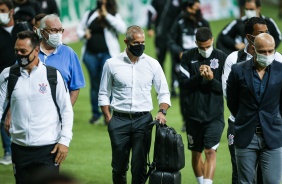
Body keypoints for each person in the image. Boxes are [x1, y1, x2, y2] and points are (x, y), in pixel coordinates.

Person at [98, 25, 171, 184]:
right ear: (126, 41)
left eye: (143, 42)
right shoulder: (111, 64)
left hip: (143, 121)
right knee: (119, 167)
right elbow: (104, 93)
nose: (141, 46)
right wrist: (108, 118)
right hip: (118, 121)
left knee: (139, 168)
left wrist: (161, 112)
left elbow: (164, 92)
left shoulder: (153, 64)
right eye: (136, 43)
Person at [0, 31, 73, 184]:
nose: (19, 55)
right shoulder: (8, 75)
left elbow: (66, 110)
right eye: (16, 51)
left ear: (36, 50)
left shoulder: (52, 76)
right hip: (19, 149)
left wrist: (64, 141)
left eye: (23, 51)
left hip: (48, 149)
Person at [222, 17, 282, 184]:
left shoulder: (281, 69)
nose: (268, 55)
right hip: (246, 134)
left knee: (273, 181)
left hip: (272, 134)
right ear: (254, 48)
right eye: (263, 51)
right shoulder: (238, 69)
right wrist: (244, 117)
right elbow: (232, 101)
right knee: (245, 181)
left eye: (271, 51)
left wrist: (276, 120)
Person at [180, 27, 226, 184]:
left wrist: (211, 79)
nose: (205, 50)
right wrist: (199, 77)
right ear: (196, 43)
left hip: (214, 115)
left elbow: (225, 89)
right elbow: (183, 85)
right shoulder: (187, 57)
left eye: (208, 46)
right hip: (193, 116)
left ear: (212, 40)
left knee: (210, 151)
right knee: (196, 154)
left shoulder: (222, 57)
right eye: (202, 47)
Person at [77, 0, 126, 124]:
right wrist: (84, 34)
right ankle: (95, 114)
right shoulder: (89, 14)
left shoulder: (113, 14)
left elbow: (122, 29)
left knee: (106, 84)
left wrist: (106, 15)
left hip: (107, 54)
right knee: (95, 84)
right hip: (90, 54)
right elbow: (79, 30)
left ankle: (107, 114)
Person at [168, 0, 210, 132]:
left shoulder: (203, 23)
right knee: (185, 92)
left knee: (203, 90)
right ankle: (187, 121)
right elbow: (171, 40)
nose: (196, 11)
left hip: (201, 61)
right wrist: (179, 52)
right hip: (184, 62)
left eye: (197, 8)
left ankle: (204, 118)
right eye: (193, 8)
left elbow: (210, 39)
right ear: (187, 8)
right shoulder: (179, 22)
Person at [0, 0, 30, 165]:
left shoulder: (23, 29)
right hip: (3, 80)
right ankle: (8, 151)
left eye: (2, 10)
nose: (0, 13)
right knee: (4, 116)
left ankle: (26, 146)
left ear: (11, 11)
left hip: (26, 77)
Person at [40, 14, 85, 106]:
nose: (58, 34)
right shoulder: (31, 52)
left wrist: (66, 109)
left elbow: (75, 86)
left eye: (60, 30)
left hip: (59, 113)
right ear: (42, 32)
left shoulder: (69, 53)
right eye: (53, 30)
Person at [216, 0, 281, 55]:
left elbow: (278, 37)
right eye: (246, 9)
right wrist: (235, 44)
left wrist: (268, 48)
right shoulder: (239, 22)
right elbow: (223, 36)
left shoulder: (268, 22)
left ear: (258, 8)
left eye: (251, 9)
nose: (248, 11)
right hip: (243, 55)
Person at [147, 0, 181, 97]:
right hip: (161, 36)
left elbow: (183, 13)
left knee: (175, 62)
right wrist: (150, 27)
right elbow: (151, 12)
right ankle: (161, 89)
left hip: (174, 36)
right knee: (160, 63)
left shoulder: (178, 1)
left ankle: (173, 87)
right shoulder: (157, 1)